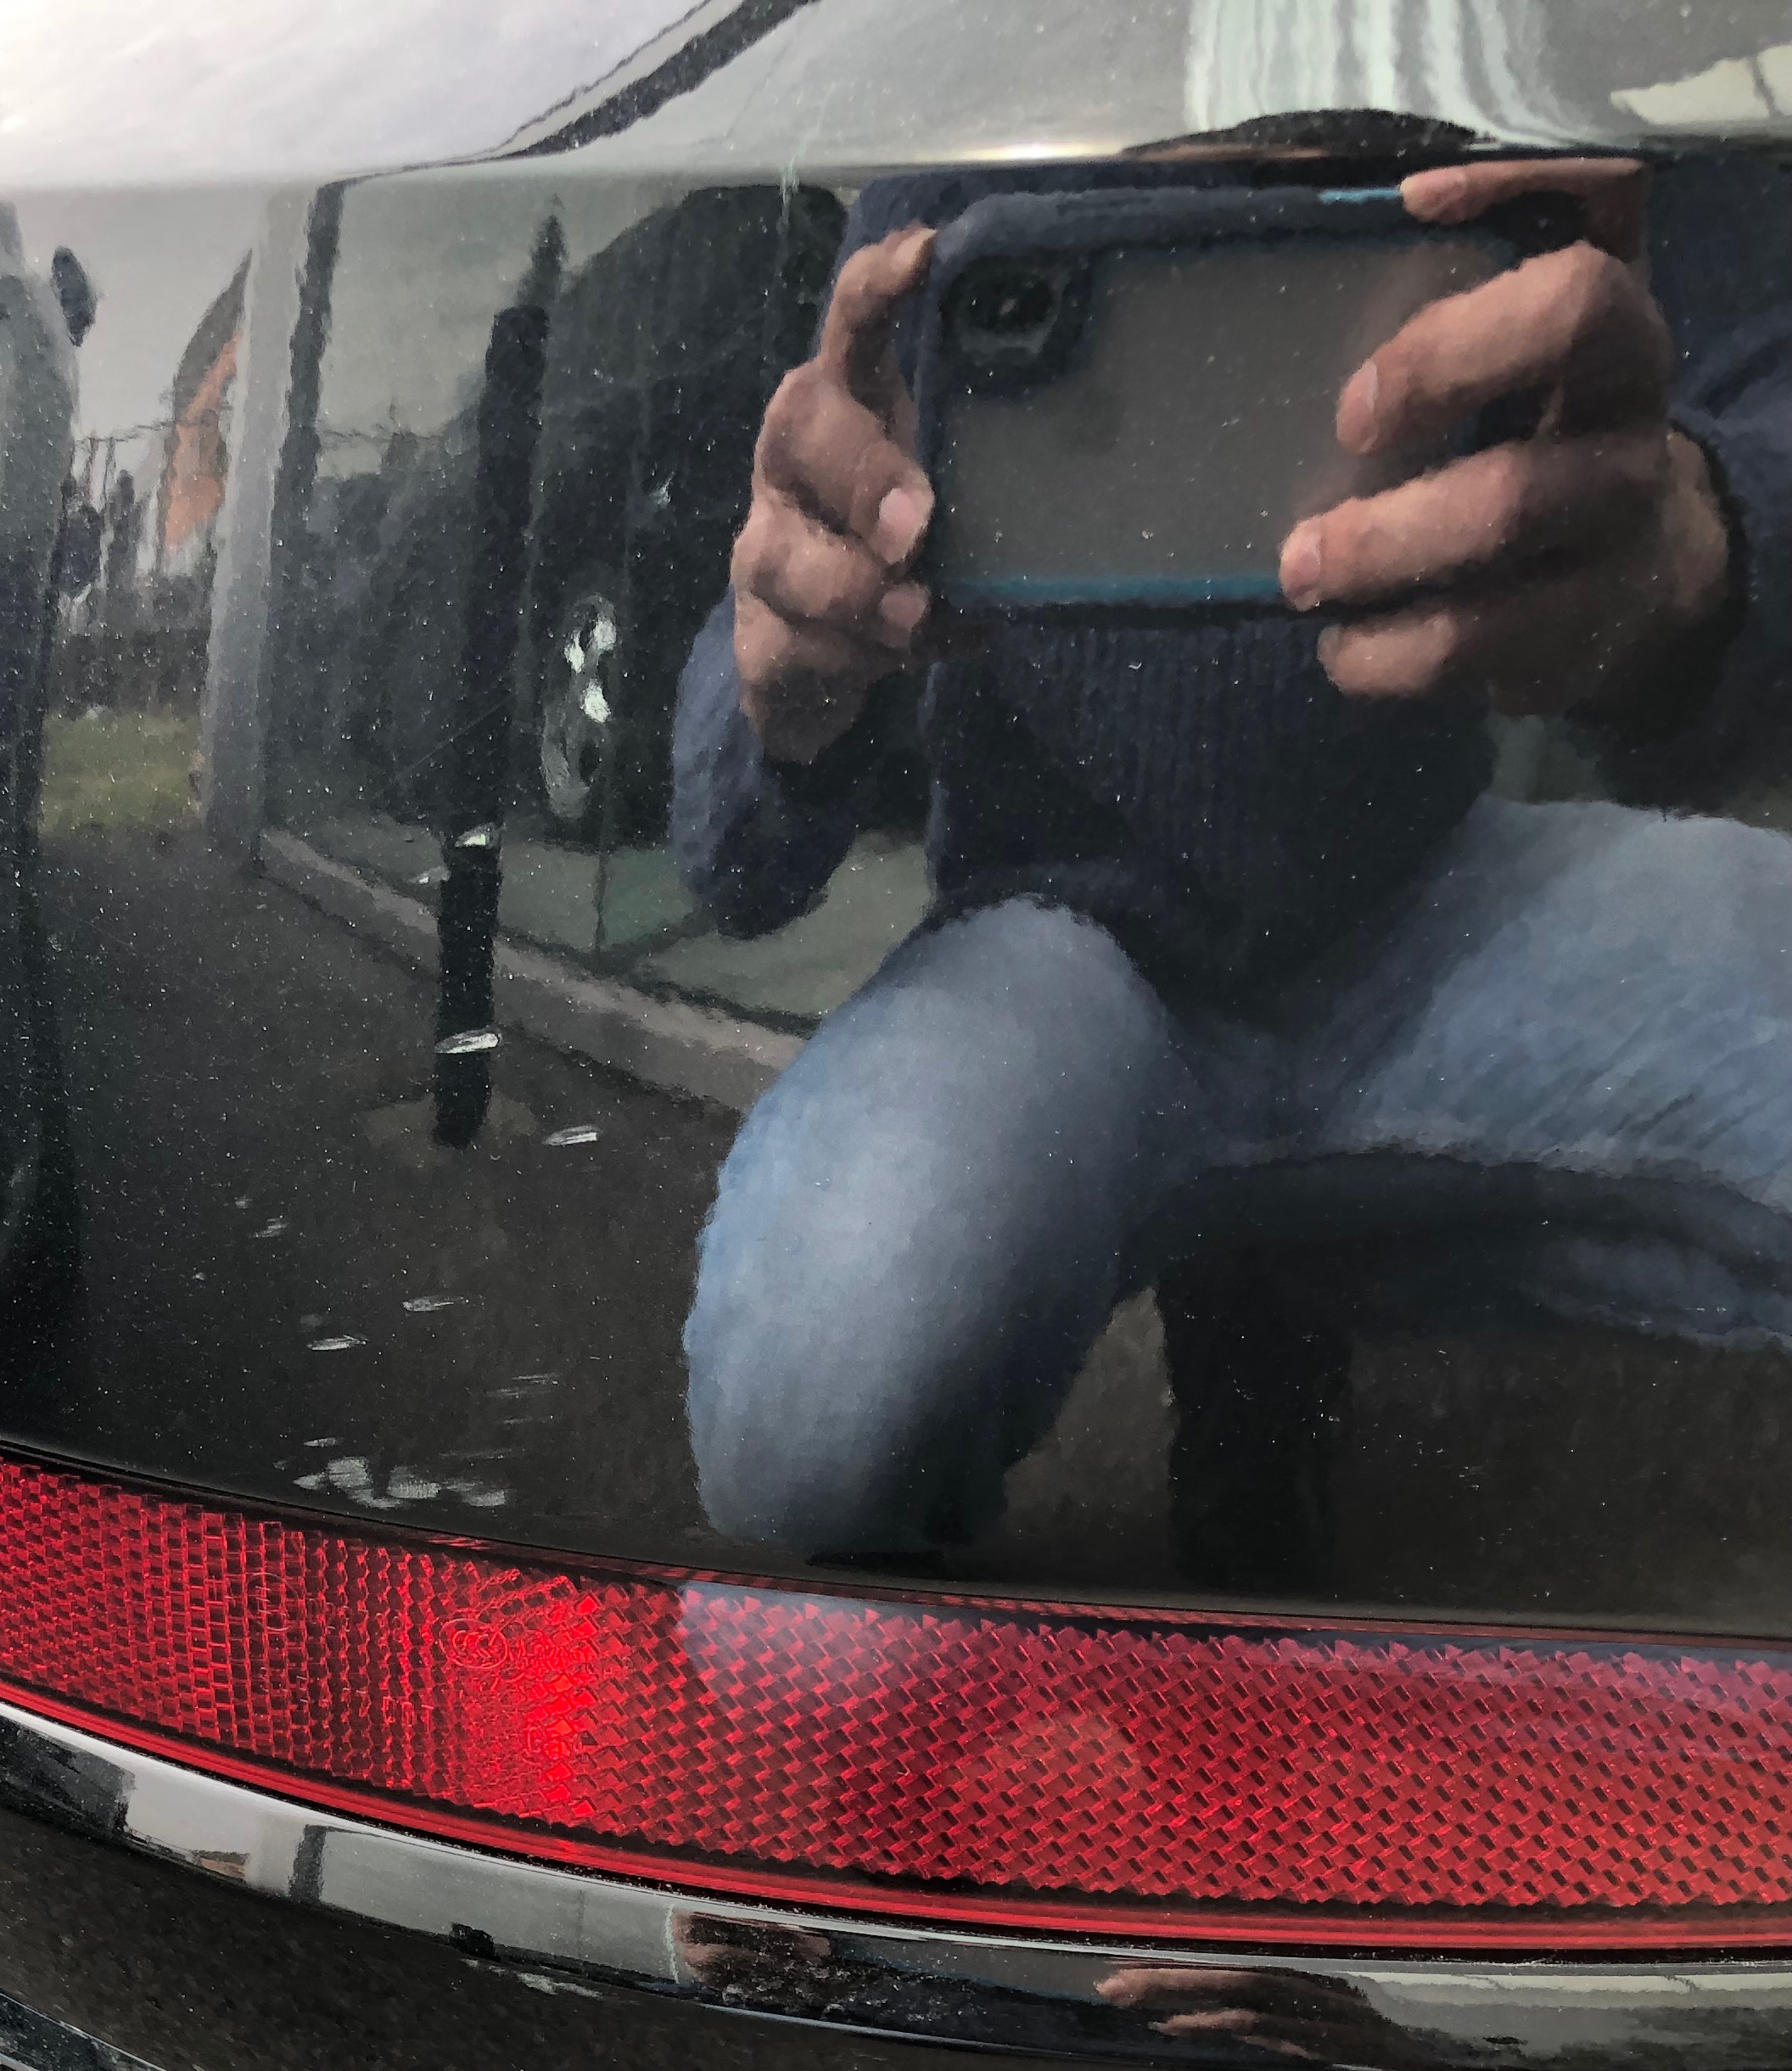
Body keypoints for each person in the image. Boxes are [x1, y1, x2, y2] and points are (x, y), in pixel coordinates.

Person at [669, 145, 1792, 1561]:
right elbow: (732, 832)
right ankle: (1270, 1301)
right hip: (1081, 943)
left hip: (1407, 890)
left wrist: (1710, 533)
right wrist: (781, 680)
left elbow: (1763, 395)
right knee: (809, 1415)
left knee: (815, 1416)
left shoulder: (1536, 115)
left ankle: (1256, 1300)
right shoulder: (969, 168)